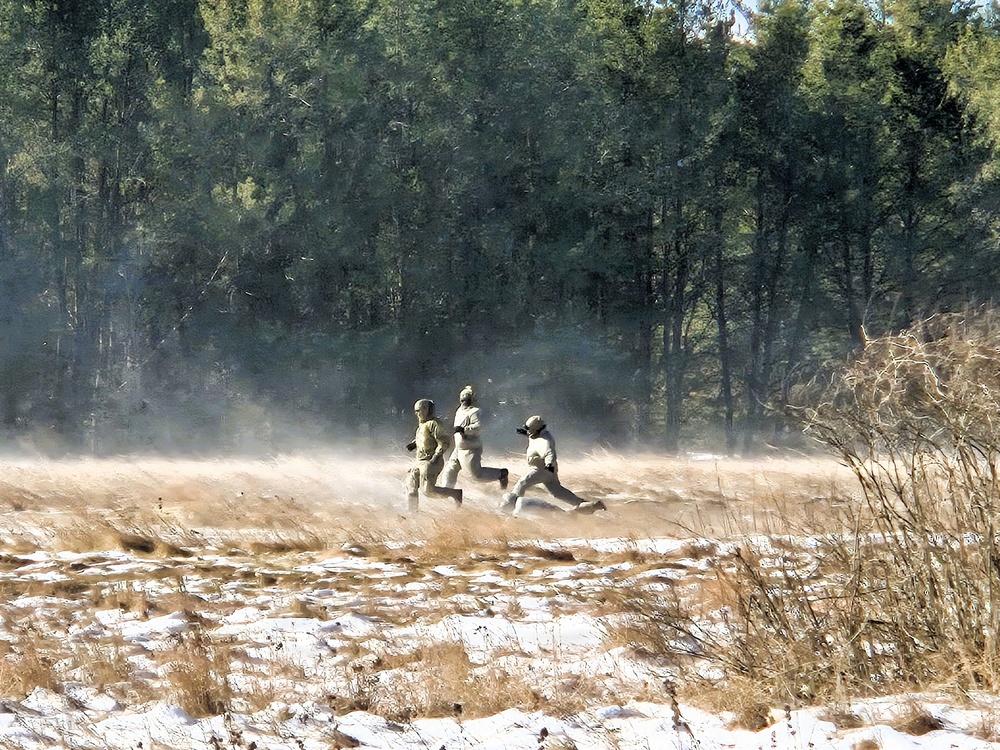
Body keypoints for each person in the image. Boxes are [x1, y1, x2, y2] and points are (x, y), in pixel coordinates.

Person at [501, 415, 606, 515]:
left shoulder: (544, 441)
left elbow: (549, 452)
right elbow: (533, 435)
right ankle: (589, 505)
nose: (528, 431)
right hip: (549, 471)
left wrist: (549, 464)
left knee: (523, 483)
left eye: (529, 429)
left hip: (542, 469)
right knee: (558, 493)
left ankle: (509, 507)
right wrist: (524, 432)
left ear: (535, 430)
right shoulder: (539, 434)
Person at [441, 385, 509, 491]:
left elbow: (479, 427)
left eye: (466, 399)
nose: (464, 401)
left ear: (472, 400)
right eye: (462, 399)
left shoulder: (475, 412)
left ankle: (501, 474)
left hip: (470, 448)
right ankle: (447, 490)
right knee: (451, 468)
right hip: (459, 447)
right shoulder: (459, 410)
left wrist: (464, 430)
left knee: (476, 476)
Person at [405, 399, 463, 512]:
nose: (418, 414)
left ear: (427, 410)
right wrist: (414, 444)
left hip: (431, 461)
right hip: (420, 461)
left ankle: (455, 494)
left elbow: (443, 442)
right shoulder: (421, 426)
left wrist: (435, 457)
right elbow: (424, 438)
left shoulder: (435, 424)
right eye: (416, 411)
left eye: (419, 411)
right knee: (411, 486)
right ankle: (412, 514)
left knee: (428, 491)